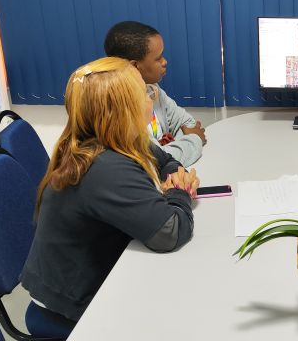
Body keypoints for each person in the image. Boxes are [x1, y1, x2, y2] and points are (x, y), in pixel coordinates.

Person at [20, 57, 198, 333]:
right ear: (124, 109)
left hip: (87, 281)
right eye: (145, 93)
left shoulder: (118, 139)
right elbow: (170, 232)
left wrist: (175, 173)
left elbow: (165, 161)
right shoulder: (103, 166)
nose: (151, 99)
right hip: (70, 311)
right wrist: (180, 190)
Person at [104, 20, 206, 167]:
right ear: (134, 67)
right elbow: (154, 162)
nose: (165, 62)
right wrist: (194, 139)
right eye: (158, 58)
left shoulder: (151, 89)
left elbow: (187, 122)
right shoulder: (119, 112)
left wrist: (169, 149)